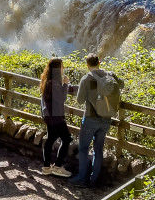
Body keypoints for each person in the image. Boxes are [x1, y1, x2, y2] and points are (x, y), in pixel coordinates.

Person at [68, 53, 124, 188]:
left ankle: (82, 178)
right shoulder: (110, 75)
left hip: (90, 118)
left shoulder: (86, 79)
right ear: (99, 62)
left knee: (83, 148)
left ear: (87, 65)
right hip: (106, 118)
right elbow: (121, 85)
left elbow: (80, 100)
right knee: (98, 149)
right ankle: (94, 180)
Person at [39, 57, 73, 177]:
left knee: (50, 140)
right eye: (62, 66)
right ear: (58, 68)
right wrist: (66, 84)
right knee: (67, 138)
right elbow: (61, 99)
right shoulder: (54, 83)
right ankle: (57, 167)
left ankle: (47, 167)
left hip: (49, 115)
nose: (63, 68)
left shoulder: (47, 80)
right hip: (56, 117)